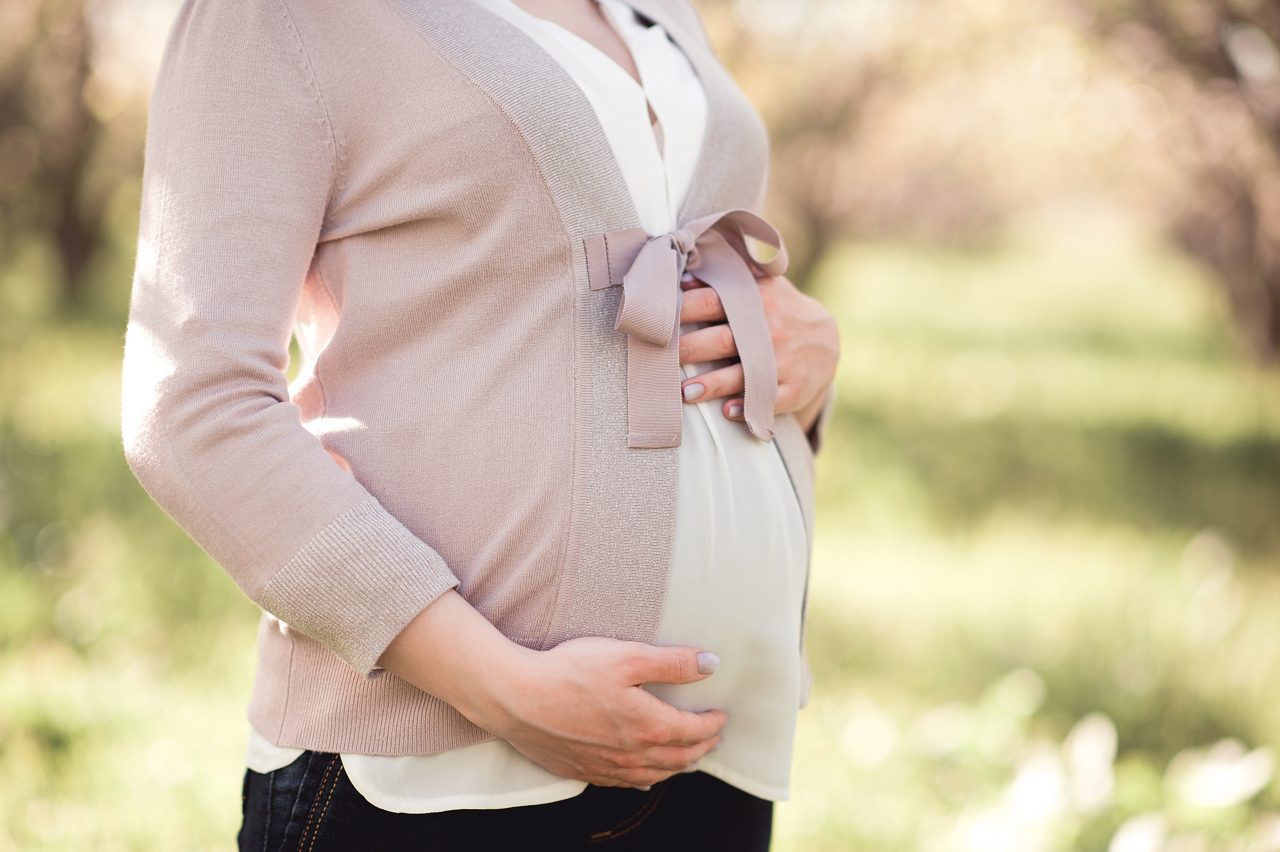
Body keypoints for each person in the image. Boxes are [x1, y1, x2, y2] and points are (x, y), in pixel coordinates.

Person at [119, 0, 840, 849]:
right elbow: (195, 408)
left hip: (712, 757)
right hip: (435, 775)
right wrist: (501, 687)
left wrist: (807, 353)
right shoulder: (279, 18)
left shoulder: (659, 10)